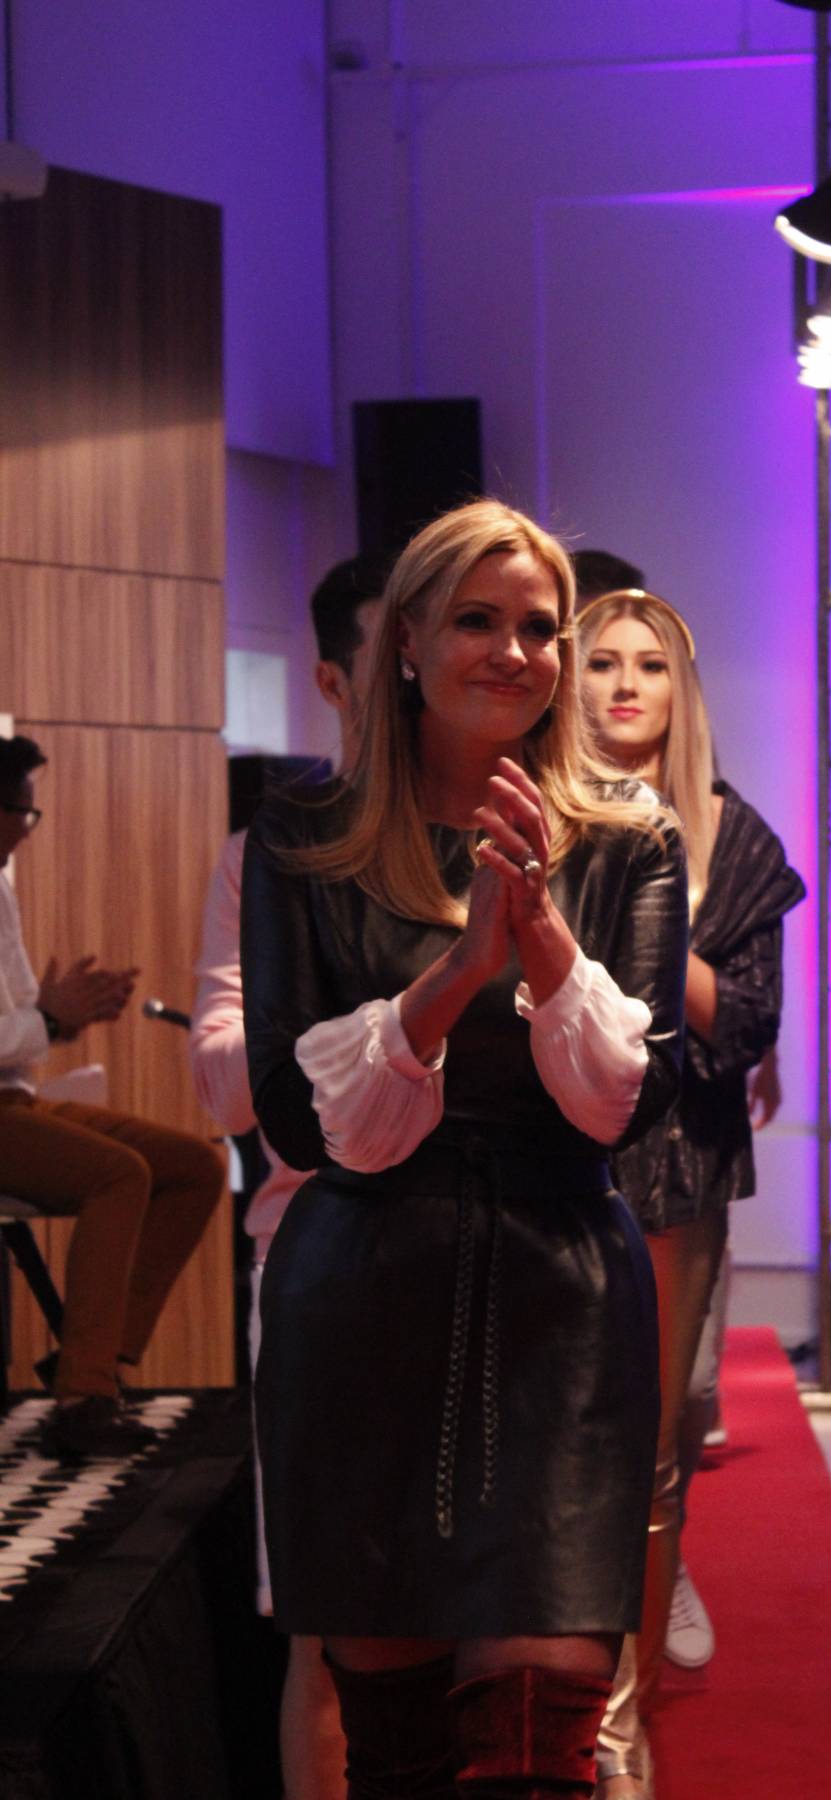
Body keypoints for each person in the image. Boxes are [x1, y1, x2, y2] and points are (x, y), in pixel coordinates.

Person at [240, 500, 689, 1799]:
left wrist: (542, 941)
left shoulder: (633, 836)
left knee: (540, 1742)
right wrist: (457, 972)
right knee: (399, 1758)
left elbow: (633, 1105)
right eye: (478, 621)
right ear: (407, 643)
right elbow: (294, 1117)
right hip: (362, 1300)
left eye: (541, 628)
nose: (516, 652)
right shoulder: (303, 834)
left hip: (562, 1299)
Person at [577, 587, 805, 1800]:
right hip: (551, 1158)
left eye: (649, 665)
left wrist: (655, 905)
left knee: (655, 1451)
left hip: (676, 1163)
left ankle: (625, 1721)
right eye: (602, 661)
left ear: (683, 689)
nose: (625, 684)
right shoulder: (539, 811)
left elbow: (752, 1024)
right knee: (559, 1443)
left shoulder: (731, 835)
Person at [190, 553, 388, 1800]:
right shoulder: (267, 853)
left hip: (497, 1262)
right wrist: (373, 1036)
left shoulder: (509, 836)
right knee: (326, 1631)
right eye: (392, 650)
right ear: (332, 680)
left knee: (500, 1626)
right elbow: (230, 1085)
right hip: (319, 1252)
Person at [0, 733, 225, 1458]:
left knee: (194, 1166)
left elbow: (22, 1023)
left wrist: (63, 1016)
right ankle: (83, 1396)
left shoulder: (0, 887)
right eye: (22, 812)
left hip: (14, 1100)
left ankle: (94, 1362)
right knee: (119, 1175)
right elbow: (26, 1023)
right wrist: (49, 1017)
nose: (27, 830)